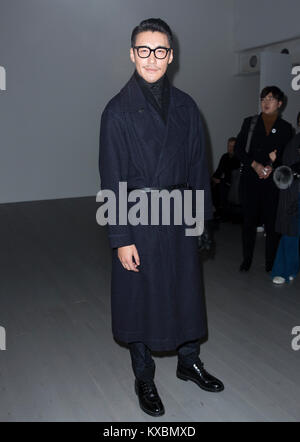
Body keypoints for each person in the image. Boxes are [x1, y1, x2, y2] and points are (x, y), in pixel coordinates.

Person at [98, 18, 224, 417]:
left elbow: (198, 166)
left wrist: (202, 218)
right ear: (132, 53)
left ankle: (188, 363)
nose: (152, 58)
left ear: (171, 55)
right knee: (139, 301)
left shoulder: (187, 105)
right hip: (138, 218)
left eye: (161, 50)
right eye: (144, 50)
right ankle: (144, 375)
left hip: (179, 215)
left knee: (186, 294)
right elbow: (111, 178)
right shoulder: (117, 111)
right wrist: (121, 238)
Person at [235, 86, 294, 272]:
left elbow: (287, 157)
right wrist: (255, 165)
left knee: (271, 224)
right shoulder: (250, 123)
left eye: (270, 99)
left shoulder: (286, 129)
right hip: (251, 181)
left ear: (280, 103)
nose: (266, 102)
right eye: (263, 99)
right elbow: (238, 150)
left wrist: (272, 166)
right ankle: (247, 260)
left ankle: (270, 263)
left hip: (272, 183)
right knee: (249, 223)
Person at [271, 132, 300, 284]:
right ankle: (283, 270)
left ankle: (291, 268)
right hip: (294, 195)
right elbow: (285, 170)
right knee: (290, 234)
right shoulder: (292, 143)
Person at [211, 137, 240, 220]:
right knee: (210, 184)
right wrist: (213, 178)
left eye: (233, 146)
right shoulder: (225, 157)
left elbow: (235, 177)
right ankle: (216, 210)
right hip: (224, 181)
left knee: (221, 186)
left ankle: (223, 213)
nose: (230, 148)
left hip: (233, 183)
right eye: (229, 146)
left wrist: (220, 180)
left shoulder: (238, 159)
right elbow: (219, 171)